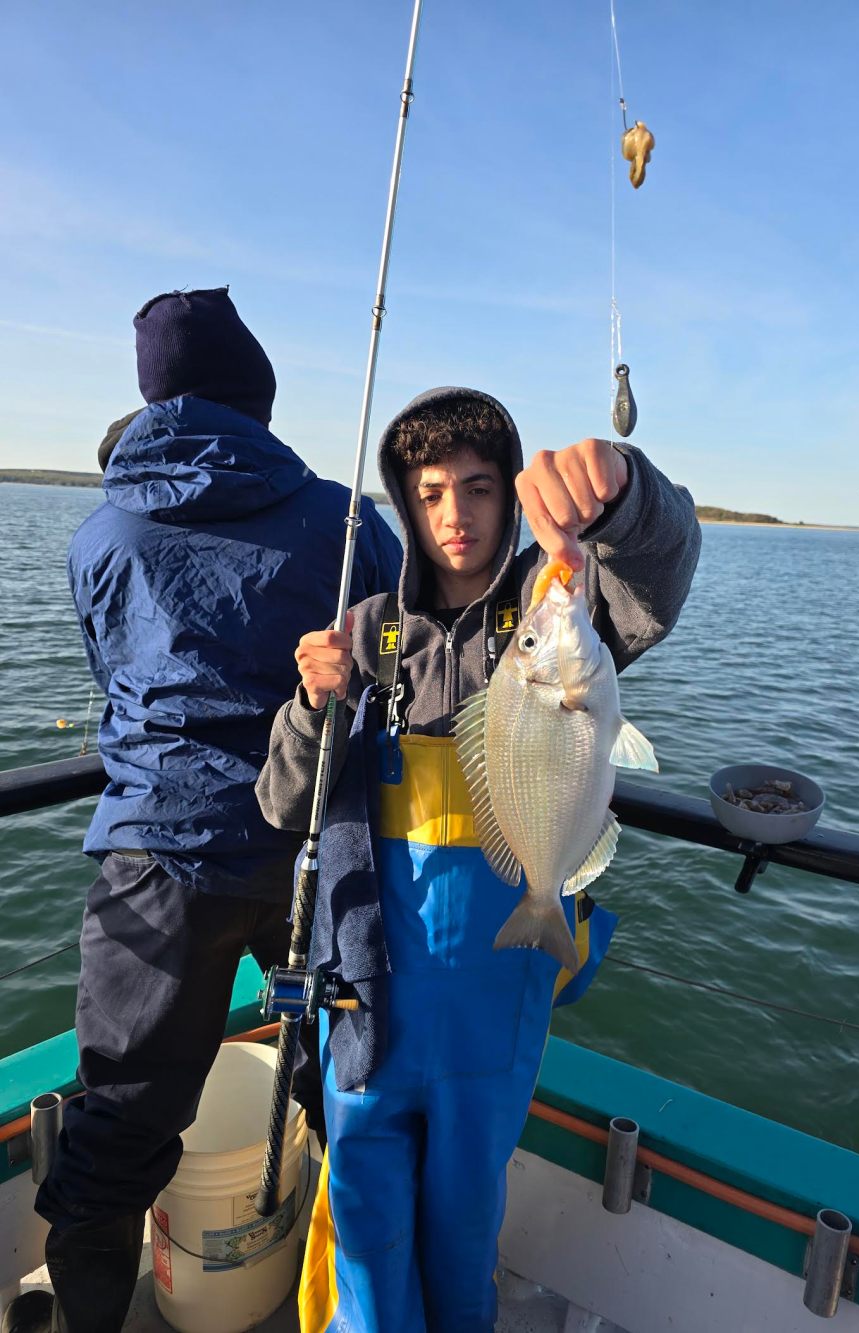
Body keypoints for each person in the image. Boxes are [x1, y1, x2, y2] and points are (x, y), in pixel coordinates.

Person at [256, 385, 701, 1332]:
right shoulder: (368, 631)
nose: (454, 513)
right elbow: (283, 803)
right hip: (366, 1000)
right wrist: (309, 706)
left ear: (509, 495)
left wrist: (623, 492)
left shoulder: (560, 603)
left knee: (465, 1224)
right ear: (406, 504)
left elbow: (662, 570)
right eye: (430, 493)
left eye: (479, 487)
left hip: (497, 1000)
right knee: (365, 1216)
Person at [2, 288, 402, 1333]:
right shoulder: (347, 522)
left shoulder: (100, 535)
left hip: (155, 858)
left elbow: (112, 675)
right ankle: (366, 1300)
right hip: (312, 850)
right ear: (257, 396)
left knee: (118, 1122)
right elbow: (393, 667)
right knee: (348, 1085)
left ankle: (90, 1314)